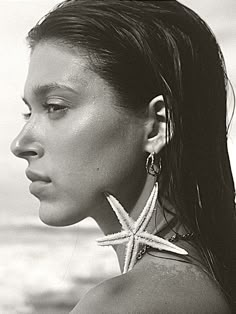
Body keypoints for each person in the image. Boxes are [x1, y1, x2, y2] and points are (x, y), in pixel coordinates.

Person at [10, 0, 236, 313]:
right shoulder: (215, 272)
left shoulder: (121, 305)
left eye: (56, 106)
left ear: (158, 125)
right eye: (28, 111)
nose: (20, 144)